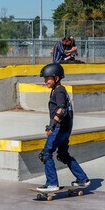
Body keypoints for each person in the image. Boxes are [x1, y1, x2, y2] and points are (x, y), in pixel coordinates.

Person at [36, 62, 90, 192]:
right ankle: (82, 179)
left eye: (47, 78)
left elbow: (62, 109)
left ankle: (52, 183)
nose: (45, 81)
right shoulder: (59, 90)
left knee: (46, 154)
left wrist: (52, 126)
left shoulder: (59, 90)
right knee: (63, 154)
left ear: (56, 78)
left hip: (59, 129)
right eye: (45, 78)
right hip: (66, 129)